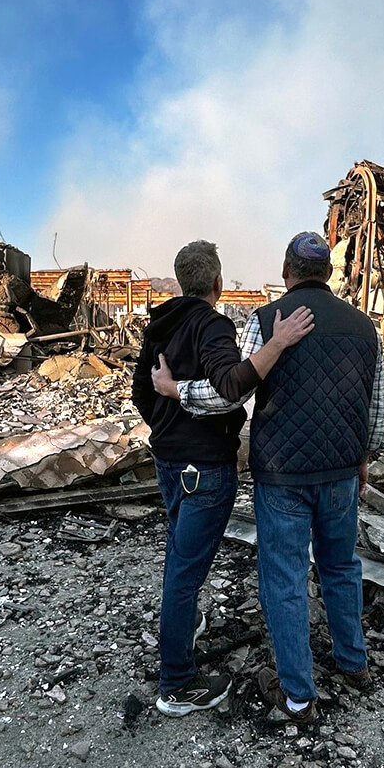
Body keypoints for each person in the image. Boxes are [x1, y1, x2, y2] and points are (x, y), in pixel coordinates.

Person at [153, 231, 384, 723]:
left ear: (286, 272)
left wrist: (176, 391)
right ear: (326, 273)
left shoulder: (265, 321)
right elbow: (376, 407)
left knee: (284, 578)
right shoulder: (365, 327)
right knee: (341, 566)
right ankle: (353, 662)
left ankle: (298, 696)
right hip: (342, 471)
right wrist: (363, 454)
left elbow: (231, 393)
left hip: (282, 474)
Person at [131, 239, 314, 717]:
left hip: (168, 461)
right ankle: (176, 684)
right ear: (217, 282)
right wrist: (276, 344)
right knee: (184, 573)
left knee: (178, 556)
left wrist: (168, 428)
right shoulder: (212, 324)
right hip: (205, 468)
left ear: (180, 279)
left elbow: (141, 394)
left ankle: (182, 628)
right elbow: (231, 389)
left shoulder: (160, 323)